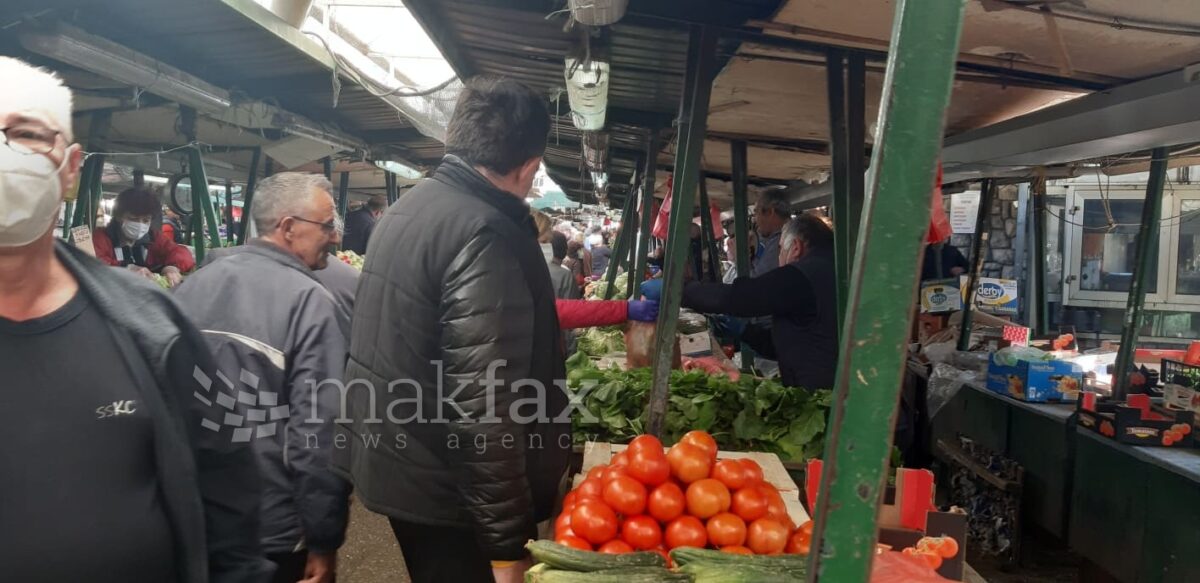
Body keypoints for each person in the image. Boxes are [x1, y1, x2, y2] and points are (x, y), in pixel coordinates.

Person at [0, 56, 270, 583]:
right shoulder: (107, 245)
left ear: (71, 167)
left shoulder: (159, 326)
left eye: (27, 134)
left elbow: (230, 468)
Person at [336, 76, 566, 583]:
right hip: (454, 498)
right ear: (529, 167)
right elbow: (487, 407)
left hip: (405, 468)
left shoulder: (405, 211)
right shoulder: (485, 232)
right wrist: (506, 548)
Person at [173, 172, 351, 583]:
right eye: (326, 226)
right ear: (288, 227)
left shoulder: (189, 289)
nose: (336, 237)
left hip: (197, 517)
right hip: (272, 530)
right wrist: (323, 539)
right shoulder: (309, 302)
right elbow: (317, 434)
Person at [648, 214, 838, 389]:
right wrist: (746, 331)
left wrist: (678, 291)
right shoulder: (830, 268)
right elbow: (797, 341)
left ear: (796, 248)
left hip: (823, 395)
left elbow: (744, 296)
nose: (778, 256)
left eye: (780, 249)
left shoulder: (805, 274)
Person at [93, 186, 196, 287]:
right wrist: (126, 269)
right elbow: (92, 264)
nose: (140, 224)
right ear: (119, 217)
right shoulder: (101, 238)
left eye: (146, 220)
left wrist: (172, 267)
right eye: (134, 219)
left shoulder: (154, 238)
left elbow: (180, 252)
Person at [751, 189, 791, 277]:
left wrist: (738, 258)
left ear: (770, 212)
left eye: (756, 212)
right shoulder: (785, 235)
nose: (755, 219)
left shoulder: (780, 241)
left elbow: (756, 283)